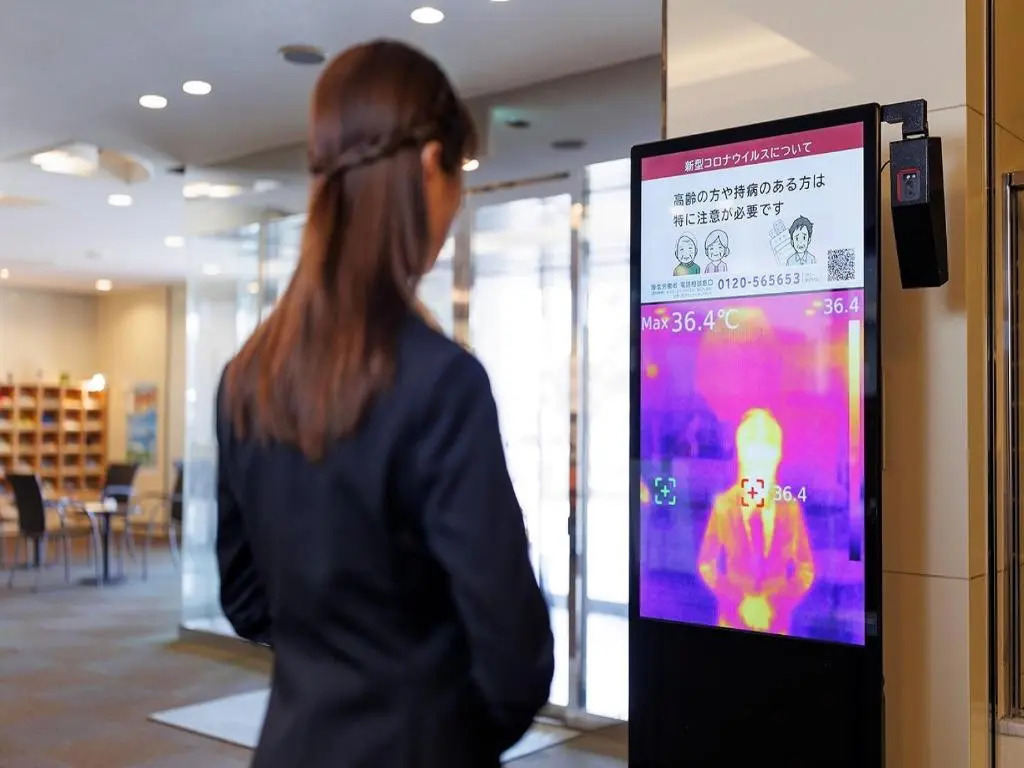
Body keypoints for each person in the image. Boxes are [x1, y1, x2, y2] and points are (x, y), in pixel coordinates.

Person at [216, 40, 554, 768]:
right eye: (459, 179)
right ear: (431, 165)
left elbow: (244, 599)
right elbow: (514, 656)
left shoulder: (246, 378)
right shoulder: (443, 383)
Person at [696, 409, 814, 635]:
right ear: (741, 454)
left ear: (779, 455)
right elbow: (706, 564)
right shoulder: (724, 505)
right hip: (731, 621)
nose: (761, 459)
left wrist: (773, 604)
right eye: (753, 448)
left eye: (768, 449)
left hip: (777, 625)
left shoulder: (789, 507)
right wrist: (741, 601)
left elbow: (805, 569)